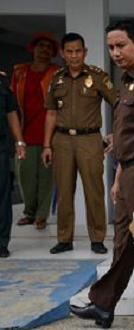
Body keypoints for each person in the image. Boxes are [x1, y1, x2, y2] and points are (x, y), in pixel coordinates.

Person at [70, 18, 134, 329]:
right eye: (111, 47)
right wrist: (118, 179)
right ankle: (103, 304)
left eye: (121, 45)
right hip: (130, 172)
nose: (115, 52)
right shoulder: (128, 82)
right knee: (123, 245)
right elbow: (125, 136)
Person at [42, 32, 117, 255]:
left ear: (85, 52)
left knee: (94, 190)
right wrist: (47, 145)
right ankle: (64, 238)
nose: (74, 55)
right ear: (63, 53)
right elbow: (51, 114)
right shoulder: (56, 79)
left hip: (90, 139)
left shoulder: (98, 77)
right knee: (64, 191)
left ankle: (97, 238)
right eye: (70, 51)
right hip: (62, 140)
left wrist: (115, 133)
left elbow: (120, 105)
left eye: (78, 51)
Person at [11, 31, 60, 230]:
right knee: (25, 176)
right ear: (33, 48)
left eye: (48, 47)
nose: (44, 50)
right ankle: (29, 212)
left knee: (46, 178)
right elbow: (11, 104)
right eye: (41, 46)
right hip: (25, 134)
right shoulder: (20, 72)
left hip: (50, 134)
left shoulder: (57, 72)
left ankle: (41, 215)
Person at [0, 70, 27, 258]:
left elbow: (10, 112)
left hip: (0, 146)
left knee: (2, 195)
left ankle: (1, 242)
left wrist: (19, 141)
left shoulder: (1, 81)